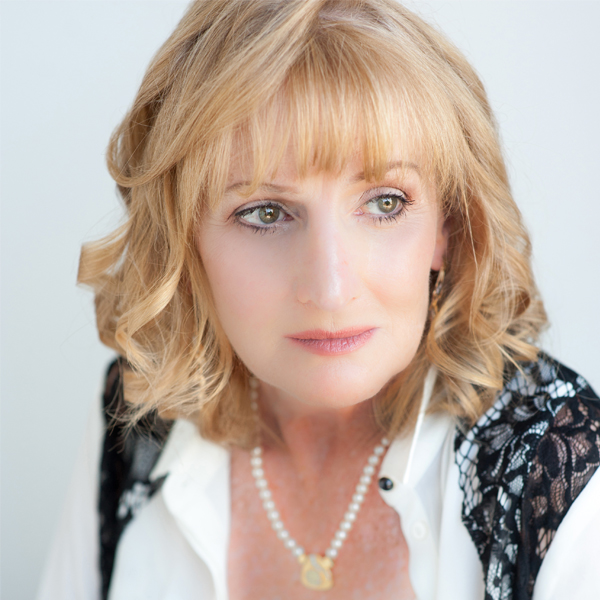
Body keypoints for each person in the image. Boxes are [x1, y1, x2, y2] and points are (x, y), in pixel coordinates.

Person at [37, 1, 600, 599]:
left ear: (448, 226)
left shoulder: (557, 474)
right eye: (265, 212)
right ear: (184, 238)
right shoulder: (141, 421)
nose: (330, 289)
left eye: (385, 203)